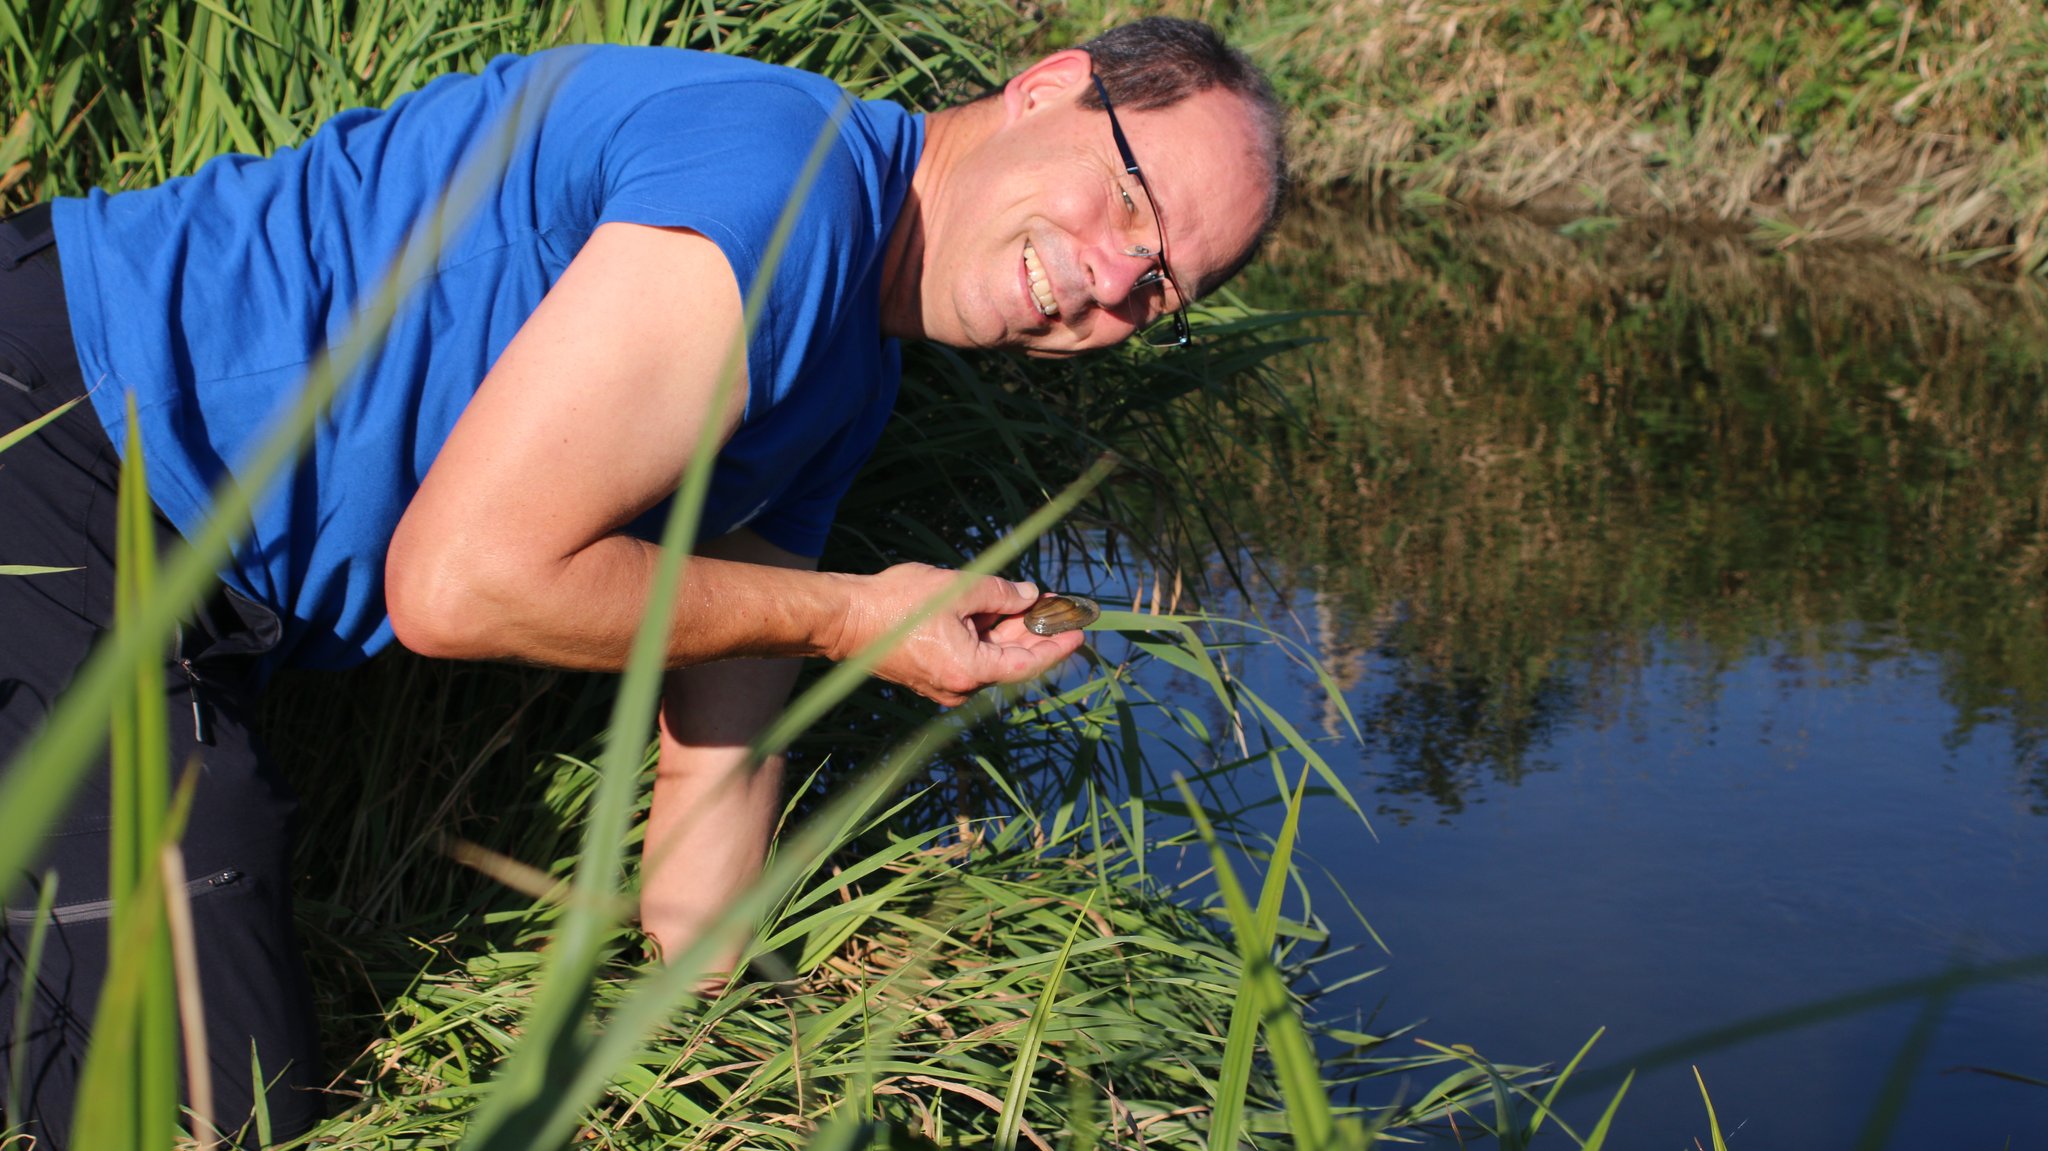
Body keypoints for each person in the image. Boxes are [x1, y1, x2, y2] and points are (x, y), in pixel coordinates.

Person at [0, 15, 1286, 1146]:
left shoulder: (843, 386)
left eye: (1162, 285)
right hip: (55, 438)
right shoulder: (781, 184)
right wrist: (853, 615)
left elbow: (708, 786)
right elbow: (461, 584)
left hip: (178, 588)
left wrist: (784, 1064)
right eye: (1130, 200)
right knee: (192, 1113)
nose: (1115, 277)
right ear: (1048, 86)